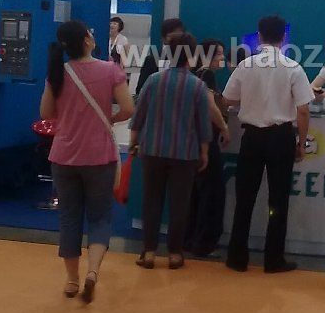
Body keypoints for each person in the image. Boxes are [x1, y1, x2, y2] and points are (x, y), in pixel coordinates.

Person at [40, 20, 134, 302]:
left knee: (69, 217)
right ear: (87, 41)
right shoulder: (110, 70)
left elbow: (46, 113)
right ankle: (93, 272)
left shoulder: (57, 73)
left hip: (64, 156)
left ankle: (72, 280)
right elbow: (128, 108)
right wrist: (110, 118)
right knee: (100, 217)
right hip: (99, 156)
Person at [223, 15, 312, 274]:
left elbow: (227, 99)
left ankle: (237, 257)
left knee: (245, 197)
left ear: (259, 36)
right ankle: (273, 259)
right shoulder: (293, 67)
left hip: (251, 138)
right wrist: (301, 143)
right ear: (283, 37)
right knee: (278, 199)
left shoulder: (246, 65)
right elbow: (303, 110)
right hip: (281, 138)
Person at [130, 31, 224, 269]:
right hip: (185, 152)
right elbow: (203, 123)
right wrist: (204, 151)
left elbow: (139, 115)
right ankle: (174, 253)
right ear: (191, 55)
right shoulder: (197, 85)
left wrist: (133, 142)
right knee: (179, 204)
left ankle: (149, 252)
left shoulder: (153, 80)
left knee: (151, 201)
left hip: (152, 149)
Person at [185, 38, 230, 259]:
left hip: (190, 138)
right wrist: (224, 127)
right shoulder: (207, 75)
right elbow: (210, 105)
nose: (222, 58)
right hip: (206, 137)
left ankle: (189, 238)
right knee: (212, 192)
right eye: (220, 54)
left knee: (195, 192)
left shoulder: (192, 73)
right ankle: (204, 242)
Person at [135, 17, 184, 96]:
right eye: (171, 37)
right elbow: (140, 90)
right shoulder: (151, 60)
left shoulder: (188, 60)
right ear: (163, 39)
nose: (175, 40)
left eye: (178, 37)